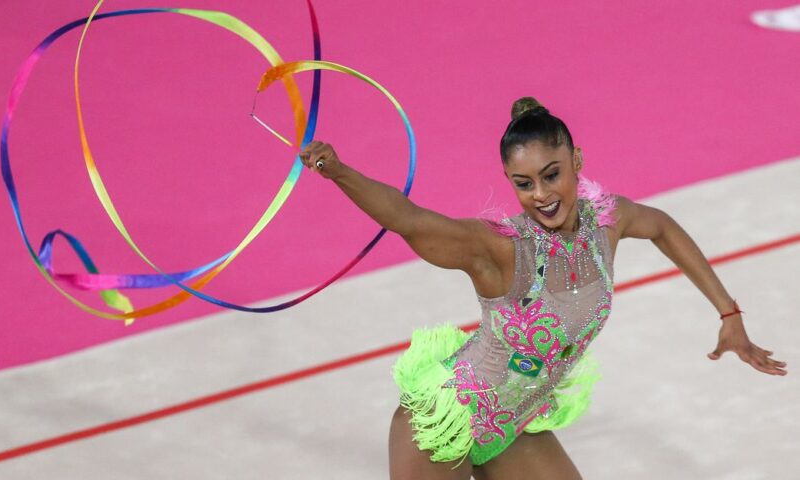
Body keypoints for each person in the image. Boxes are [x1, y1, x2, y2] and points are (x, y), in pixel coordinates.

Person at [297, 97, 787, 480]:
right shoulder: (501, 249)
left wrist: (729, 314)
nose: (542, 195)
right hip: (445, 423)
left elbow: (662, 227)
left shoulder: (607, 221)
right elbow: (409, 219)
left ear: (576, 160)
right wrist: (338, 172)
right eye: (524, 183)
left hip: (515, 426)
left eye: (551, 175)